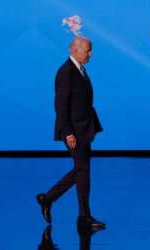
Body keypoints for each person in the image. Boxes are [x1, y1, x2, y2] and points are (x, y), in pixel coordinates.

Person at [36, 36, 105, 229]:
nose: (90, 54)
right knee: (82, 170)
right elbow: (60, 105)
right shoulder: (66, 72)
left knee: (82, 171)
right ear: (75, 50)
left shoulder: (80, 70)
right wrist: (68, 133)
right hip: (73, 131)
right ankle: (81, 216)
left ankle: (51, 200)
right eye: (87, 50)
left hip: (83, 128)